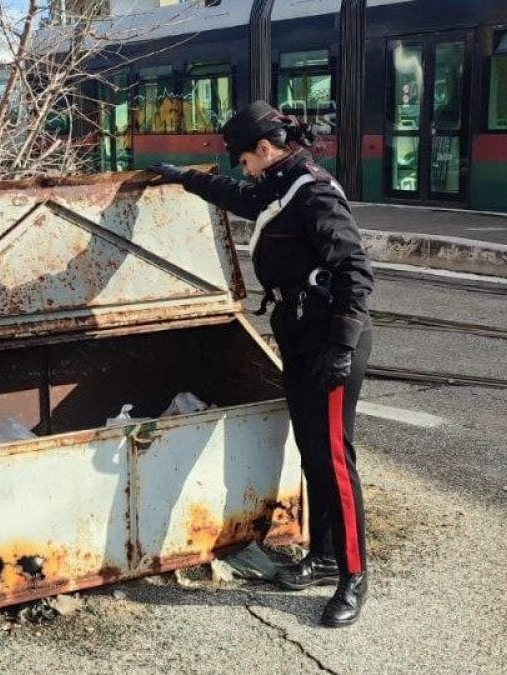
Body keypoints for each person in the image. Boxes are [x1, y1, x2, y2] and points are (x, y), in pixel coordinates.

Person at [148, 101, 374, 628]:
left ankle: (353, 576)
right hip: (298, 335)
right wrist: (186, 180)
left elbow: (355, 273)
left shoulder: (313, 191)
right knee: (313, 454)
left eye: (244, 159)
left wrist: (340, 348)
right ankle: (320, 556)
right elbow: (245, 199)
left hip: (329, 341)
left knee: (336, 462)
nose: (243, 168)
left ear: (265, 150)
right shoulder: (281, 180)